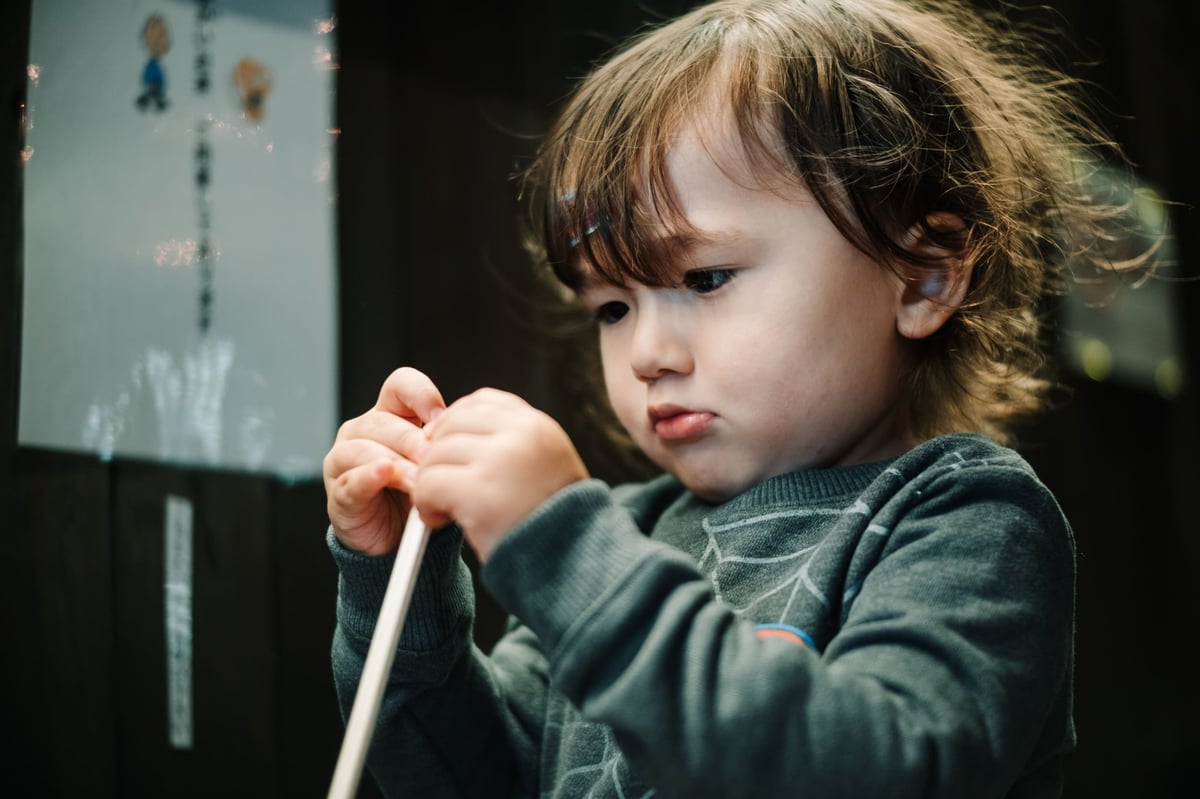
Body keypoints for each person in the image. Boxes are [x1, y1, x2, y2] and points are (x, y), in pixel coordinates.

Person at [323, 0, 1153, 795]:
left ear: (922, 274)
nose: (646, 352)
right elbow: (475, 781)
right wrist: (403, 584)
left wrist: (571, 554)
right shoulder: (635, 531)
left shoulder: (966, 520)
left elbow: (875, 771)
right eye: (613, 307)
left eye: (706, 277)